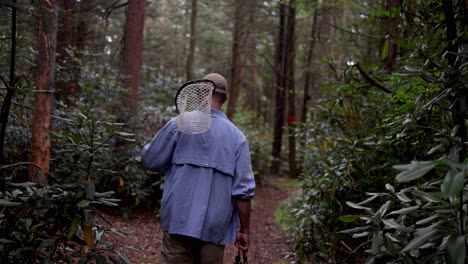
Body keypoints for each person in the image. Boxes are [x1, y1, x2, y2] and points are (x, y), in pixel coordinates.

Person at [141, 73, 256, 264]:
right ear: (225, 99)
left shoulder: (177, 125)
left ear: (201, 92)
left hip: (177, 220)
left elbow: (150, 160)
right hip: (214, 229)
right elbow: (243, 193)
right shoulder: (238, 138)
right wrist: (244, 230)